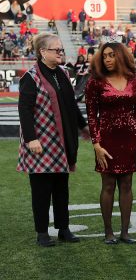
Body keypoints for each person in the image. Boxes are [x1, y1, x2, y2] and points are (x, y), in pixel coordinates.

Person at [17, 33, 89, 247]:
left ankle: (63, 229)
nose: (60, 53)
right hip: (41, 142)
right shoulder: (30, 77)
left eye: (61, 50)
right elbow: (25, 110)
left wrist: (82, 125)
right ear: (42, 52)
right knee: (41, 190)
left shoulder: (64, 73)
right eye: (56, 50)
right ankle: (42, 232)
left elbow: (71, 104)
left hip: (62, 141)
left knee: (61, 188)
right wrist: (31, 139)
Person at [85, 42, 136, 244]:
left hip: (129, 138)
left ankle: (125, 232)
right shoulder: (95, 82)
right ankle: (108, 232)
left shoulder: (135, 80)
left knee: (127, 184)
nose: (108, 59)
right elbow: (91, 116)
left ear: (121, 56)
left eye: (112, 55)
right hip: (106, 140)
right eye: (104, 56)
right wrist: (96, 144)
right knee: (108, 185)